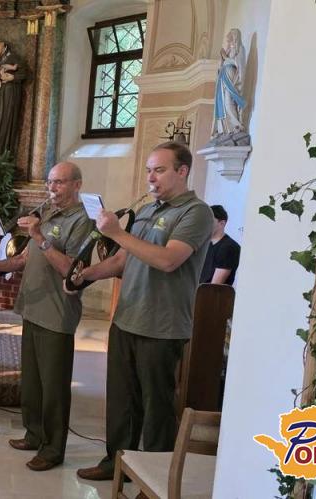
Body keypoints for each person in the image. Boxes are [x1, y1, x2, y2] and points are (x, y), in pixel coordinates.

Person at [70, 141, 213, 481]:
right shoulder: (148, 210)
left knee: (156, 407)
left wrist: (117, 232)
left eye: (159, 170)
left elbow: (168, 260)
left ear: (182, 171)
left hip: (161, 325)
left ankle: (155, 476)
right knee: (122, 402)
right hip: (126, 318)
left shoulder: (196, 213)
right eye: (149, 170)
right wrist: (86, 275)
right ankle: (116, 463)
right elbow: (122, 260)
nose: (151, 178)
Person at [0, 162, 93, 471]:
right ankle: (34, 433)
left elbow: (71, 269)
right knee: (32, 381)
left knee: (53, 385)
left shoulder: (83, 221)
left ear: (77, 185)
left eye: (59, 182)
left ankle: (53, 448)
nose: (51, 188)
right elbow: (24, 259)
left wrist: (40, 237)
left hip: (57, 313)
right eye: (49, 182)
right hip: (32, 308)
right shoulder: (50, 215)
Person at [199, 205, 241, 285]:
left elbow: (214, 286)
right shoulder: (205, 244)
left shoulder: (229, 247)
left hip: (210, 292)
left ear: (222, 223)